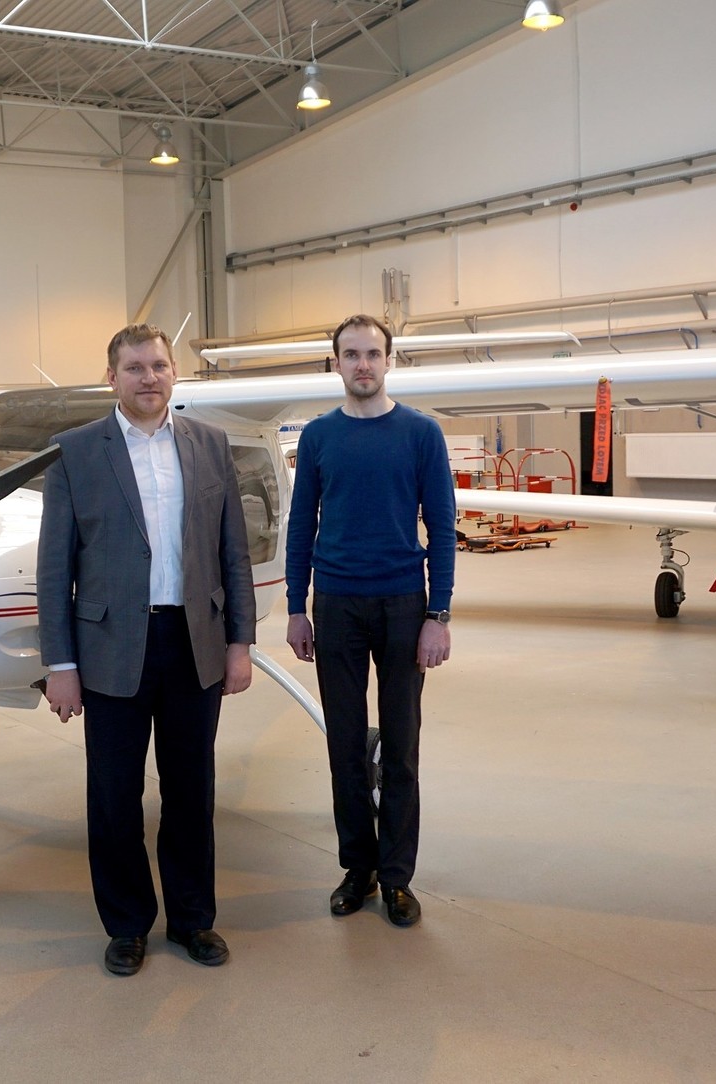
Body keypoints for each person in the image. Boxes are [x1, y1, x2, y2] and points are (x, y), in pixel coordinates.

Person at [37, 322, 256, 977]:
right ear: (112, 378)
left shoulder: (209, 444)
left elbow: (234, 554)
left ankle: (192, 920)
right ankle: (127, 925)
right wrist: (60, 665)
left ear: (174, 372)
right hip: (109, 649)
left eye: (159, 365)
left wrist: (239, 642)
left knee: (191, 792)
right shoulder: (76, 451)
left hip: (194, 643)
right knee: (114, 797)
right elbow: (55, 567)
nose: (149, 378)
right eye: (134, 368)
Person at [285, 313, 456, 928]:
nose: (363, 364)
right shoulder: (318, 437)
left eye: (373, 354)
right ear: (336, 363)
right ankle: (357, 867)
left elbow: (442, 528)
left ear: (389, 361)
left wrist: (438, 614)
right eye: (351, 354)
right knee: (345, 742)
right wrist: (295, 607)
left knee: (402, 745)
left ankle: (396, 877)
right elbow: (301, 525)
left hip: (403, 604)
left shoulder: (421, 434)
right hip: (335, 605)